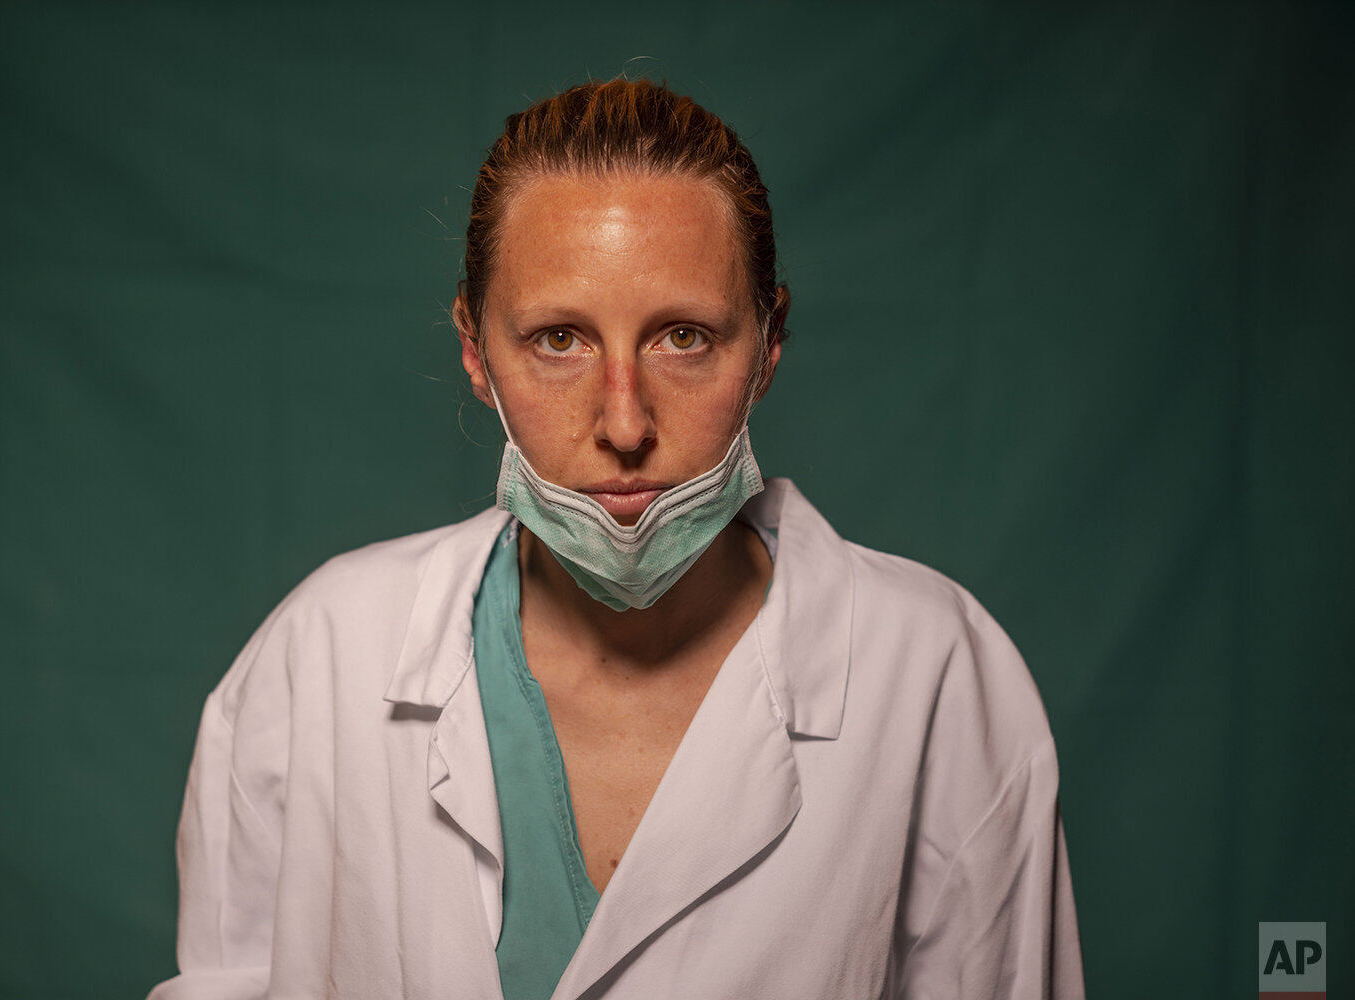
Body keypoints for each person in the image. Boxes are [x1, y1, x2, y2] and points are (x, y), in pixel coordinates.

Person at [148, 79, 1085, 1000]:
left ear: (768, 345)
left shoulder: (935, 675)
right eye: (560, 340)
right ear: (477, 352)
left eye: (684, 336)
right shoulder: (320, 658)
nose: (625, 423)